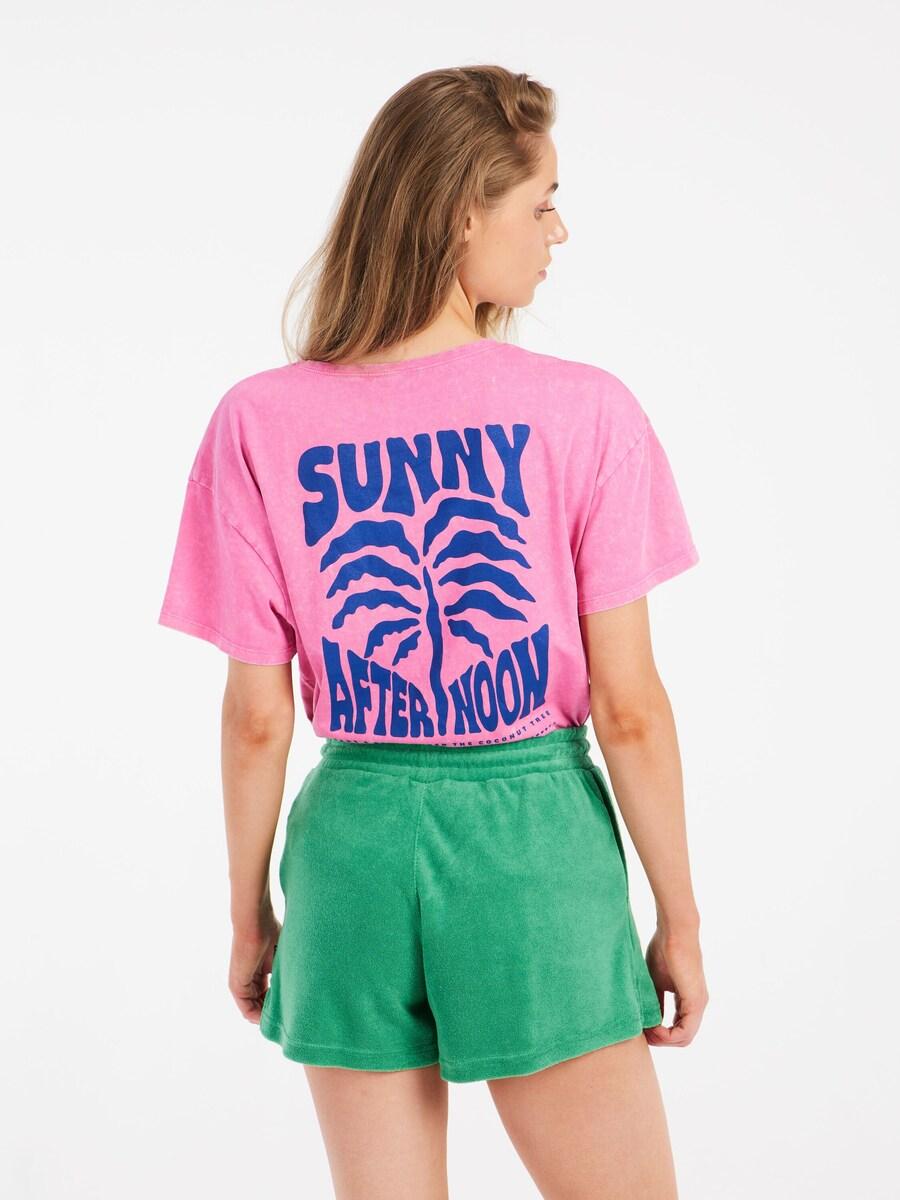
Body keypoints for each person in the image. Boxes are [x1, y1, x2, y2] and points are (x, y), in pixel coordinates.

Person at [158, 64, 708, 1200]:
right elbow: (630, 709)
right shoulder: (584, 411)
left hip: (350, 853)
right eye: (541, 203)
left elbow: (258, 717)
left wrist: (251, 915)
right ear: (464, 212)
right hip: (530, 847)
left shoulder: (258, 421)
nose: (559, 232)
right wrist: (681, 918)